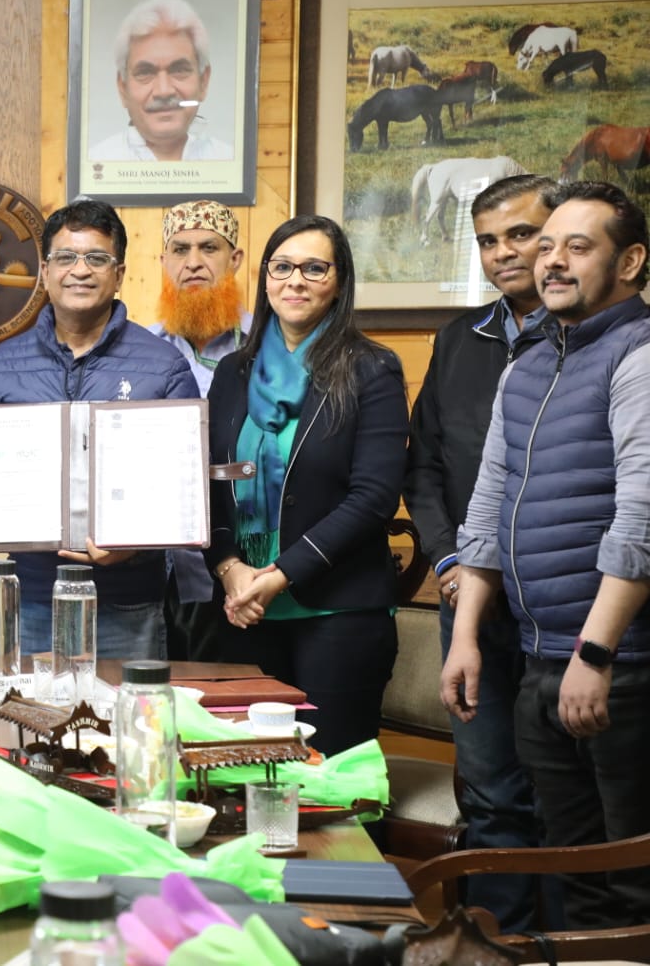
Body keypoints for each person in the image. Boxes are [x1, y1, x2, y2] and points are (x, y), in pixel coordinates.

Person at [443, 180, 650, 928]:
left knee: (632, 879)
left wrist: (595, 653)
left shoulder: (640, 354)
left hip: (620, 667)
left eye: (578, 247)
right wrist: (466, 637)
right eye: (549, 245)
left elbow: (642, 520)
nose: (552, 261)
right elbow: (486, 509)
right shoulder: (527, 364)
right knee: (572, 873)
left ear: (630, 262)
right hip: (539, 662)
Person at [403, 174, 552, 930]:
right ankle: (500, 943)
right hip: (469, 603)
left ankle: (567, 943)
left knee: (565, 797)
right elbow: (425, 466)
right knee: (492, 791)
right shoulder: (460, 340)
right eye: (488, 241)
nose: (502, 253)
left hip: (564, 609)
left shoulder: (603, 339)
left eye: (520, 234)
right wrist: (447, 560)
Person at [205, 214, 408, 755]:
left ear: (339, 282)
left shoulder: (372, 369)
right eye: (282, 267)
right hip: (243, 610)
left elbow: (373, 498)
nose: (295, 280)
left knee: (331, 777)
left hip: (338, 614)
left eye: (314, 268)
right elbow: (212, 485)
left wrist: (281, 574)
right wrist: (230, 569)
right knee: (245, 772)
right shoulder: (232, 373)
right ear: (265, 278)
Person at [0, 199, 197, 658]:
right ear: (46, 270)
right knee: (22, 706)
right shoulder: (5, 364)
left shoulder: (164, 366)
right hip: (28, 600)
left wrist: (130, 548)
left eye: (96, 258)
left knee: (130, 707)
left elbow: (186, 488)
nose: (80, 270)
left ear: (119, 272)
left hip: (128, 601)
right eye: (66, 257)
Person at [149, 199, 253, 662]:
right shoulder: (140, 350)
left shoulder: (268, 345)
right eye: (180, 249)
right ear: (164, 261)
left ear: (235, 259)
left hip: (248, 564)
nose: (193, 262)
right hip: (159, 567)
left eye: (209, 248)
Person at [88, 0, 234, 162]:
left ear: (203, 82)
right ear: (123, 88)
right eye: (145, 73)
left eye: (179, 70)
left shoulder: (231, 162)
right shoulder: (95, 163)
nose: (163, 91)